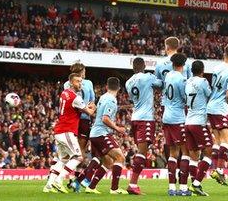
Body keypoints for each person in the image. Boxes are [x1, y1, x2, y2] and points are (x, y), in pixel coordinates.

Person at [43, 73, 96, 193]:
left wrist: (85, 107)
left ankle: (49, 186)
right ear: (71, 82)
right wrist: (93, 107)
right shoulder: (75, 97)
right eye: (78, 81)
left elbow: (73, 108)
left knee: (63, 160)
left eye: (81, 82)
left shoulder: (64, 93)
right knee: (78, 157)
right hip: (67, 131)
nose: (80, 84)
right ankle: (59, 180)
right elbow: (89, 113)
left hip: (59, 131)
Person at [124, 57, 163, 195]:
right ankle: (132, 185)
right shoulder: (148, 77)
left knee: (141, 152)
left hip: (135, 118)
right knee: (142, 153)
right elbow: (161, 84)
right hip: (145, 119)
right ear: (144, 66)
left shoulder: (128, 82)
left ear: (133, 67)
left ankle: (133, 183)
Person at [82, 77, 128, 194]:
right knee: (120, 158)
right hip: (101, 133)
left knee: (108, 162)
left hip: (95, 133)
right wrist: (117, 128)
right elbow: (105, 118)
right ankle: (114, 189)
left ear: (107, 86)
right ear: (119, 88)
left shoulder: (103, 97)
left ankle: (91, 187)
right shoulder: (111, 100)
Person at [207, 44, 228, 186]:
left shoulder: (216, 68)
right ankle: (219, 170)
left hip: (211, 106)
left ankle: (214, 168)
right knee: (227, 140)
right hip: (221, 108)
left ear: (224, 54)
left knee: (218, 141)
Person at [63, 63, 95, 192]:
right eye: (84, 70)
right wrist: (89, 109)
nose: (86, 72)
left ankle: (59, 176)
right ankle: (75, 180)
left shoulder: (66, 84)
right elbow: (92, 101)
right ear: (81, 71)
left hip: (71, 119)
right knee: (81, 150)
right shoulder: (89, 83)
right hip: (84, 119)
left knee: (69, 151)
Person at [162, 53, 191, 196]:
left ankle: (172, 187)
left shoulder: (168, 76)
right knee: (185, 152)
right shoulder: (182, 79)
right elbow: (186, 99)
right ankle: (184, 188)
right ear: (183, 65)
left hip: (166, 117)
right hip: (178, 118)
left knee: (172, 153)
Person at [184, 60, 214, 196]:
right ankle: (196, 183)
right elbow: (210, 95)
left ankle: (194, 185)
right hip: (198, 122)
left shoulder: (187, 82)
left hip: (188, 121)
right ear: (202, 70)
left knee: (194, 155)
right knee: (208, 151)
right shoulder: (203, 82)